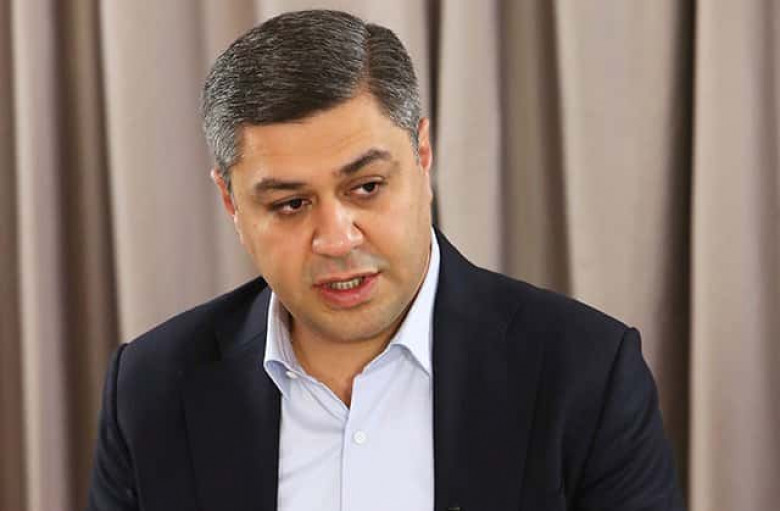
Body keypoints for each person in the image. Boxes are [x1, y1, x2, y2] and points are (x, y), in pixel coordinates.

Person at [86, 9, 684, 511]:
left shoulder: (586, 374)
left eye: (367, 187)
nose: (337, 239)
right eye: (291, 204)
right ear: (231, 203)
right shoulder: (150, 389)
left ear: (423, 156)